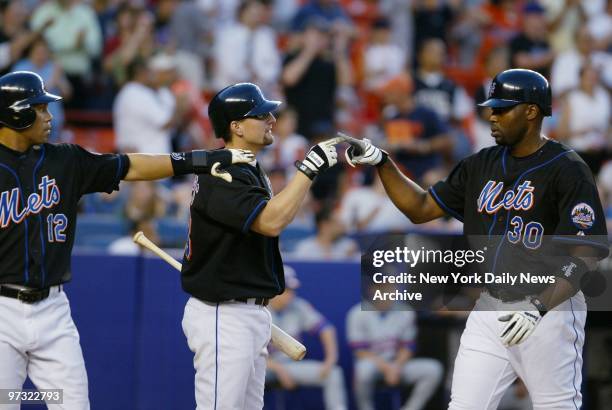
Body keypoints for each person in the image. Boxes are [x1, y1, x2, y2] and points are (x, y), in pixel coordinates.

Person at [344, 68, 609, 408]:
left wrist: (539, 306)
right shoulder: (480, 164)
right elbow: (421, 207)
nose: (491, 116)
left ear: (531, 111)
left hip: (549, 310)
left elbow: (586, 253)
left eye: (501, 108)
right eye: (491, 108)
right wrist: (383, 162)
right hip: (490, 305)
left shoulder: (567, 168)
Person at [0, 70, 254, 410]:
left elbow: (130, 166)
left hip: (52, 309)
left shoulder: (64, 159)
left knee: (73, 403)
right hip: (3, 310)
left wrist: (201, 160)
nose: (49, 116)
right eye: (40, 108)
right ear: (17, 113)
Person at [180, 82, 343, 409]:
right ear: (235, 126)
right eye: (260, 114)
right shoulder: (222, 169)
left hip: (249, 312)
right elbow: (270, 221)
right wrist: (308, 171)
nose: (271, 118)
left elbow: (273, 222)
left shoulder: (247, 168)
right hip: (223, 313)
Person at [346, 280, 444, 410]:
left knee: (433, 369)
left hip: (398, 364)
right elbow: (360, 351)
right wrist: (387, 368)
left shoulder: (405, 311)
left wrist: (396, 366)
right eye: (383, 288)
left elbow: (408, 347)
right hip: (373, 364)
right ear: (372, 290)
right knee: (363, 371)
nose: (387, 293)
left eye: (391, 288)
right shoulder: (356, 313)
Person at [266, 265, 348, 410]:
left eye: (292, 290)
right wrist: (278, 369)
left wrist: (330, 359)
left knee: (333, 373)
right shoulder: (258, 309)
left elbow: (326, 329)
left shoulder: (298, 306)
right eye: (286, 290)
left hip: (291, 366)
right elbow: (247, 354)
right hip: (263, 367)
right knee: (244, 376)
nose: (290, 295)